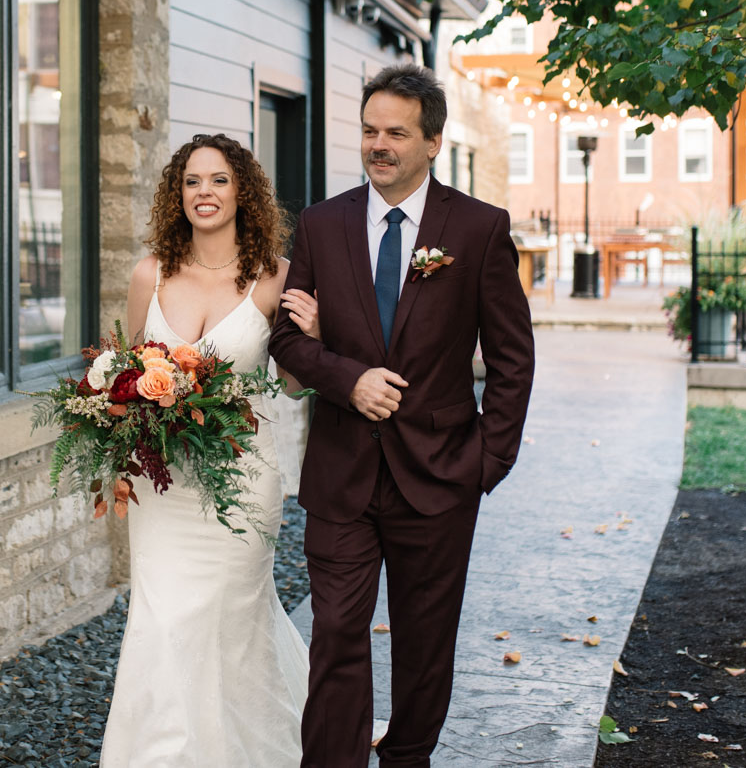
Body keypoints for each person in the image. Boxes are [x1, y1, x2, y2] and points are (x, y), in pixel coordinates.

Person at [269, 63, 535, 768]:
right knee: (336, 638)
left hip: (440, 476)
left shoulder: (477, 230)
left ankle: (407, 759)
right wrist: (349, 379)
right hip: (341, 477)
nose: (378, 144)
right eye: (368, 130)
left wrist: (486, 462)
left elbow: (512, 358)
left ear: (433, 141)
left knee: (424, 647)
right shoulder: (321, 225)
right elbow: (287, 338)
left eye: (395, 132)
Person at [100, 133, 315, 767]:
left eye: (218, 180)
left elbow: (298, 385)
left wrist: (318, 332)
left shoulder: (274, 278)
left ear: (242, 190)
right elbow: (126, 377)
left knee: (228, 616)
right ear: (178, 193)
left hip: (242, 480)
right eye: (192, 182)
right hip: (163, 482)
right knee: (163, 617)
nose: (205, 193)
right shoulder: (150, 273)